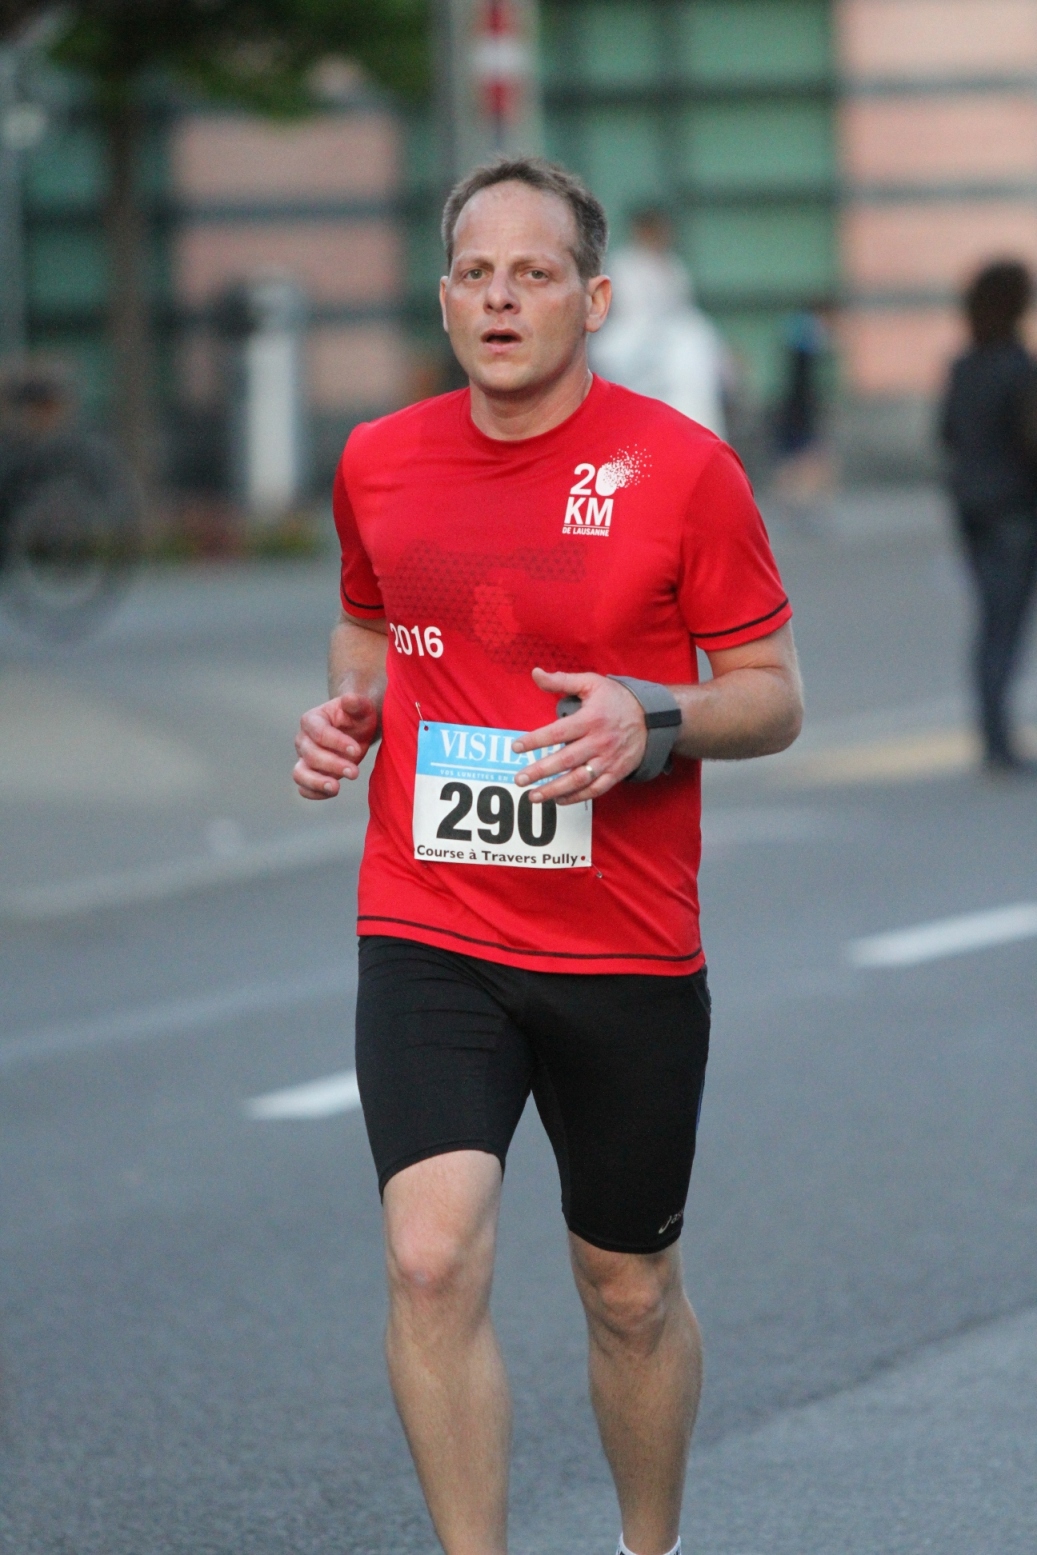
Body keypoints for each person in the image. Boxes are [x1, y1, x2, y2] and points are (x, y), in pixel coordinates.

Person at [293, 155, 803, 1555]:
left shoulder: (681, 471)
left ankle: (648, 1544)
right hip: (430, 917)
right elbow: (365, 619)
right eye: (474, 272)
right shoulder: (378, 459)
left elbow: (771, 693)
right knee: (427, 1255)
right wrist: (353, 706)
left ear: (596, 298)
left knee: (625, 1287)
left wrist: (652, 717)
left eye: (533, 273)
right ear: (443, 297)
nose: (500, 298)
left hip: (621, 941)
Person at [941, 260, 1037, 773]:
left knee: (990, 621)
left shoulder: (963, 366)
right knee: (1007, 623)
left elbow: (946, 434)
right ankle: (999, 741)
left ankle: (992, 732)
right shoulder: (1019, 366)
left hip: (971, 507)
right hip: (1016, 509)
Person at [590, 205, 729, 437]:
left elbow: (683, 310)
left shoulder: (673, 266)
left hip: (670, 342)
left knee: (695, 345)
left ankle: (697, 434)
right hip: (628, 339)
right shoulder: (623, 265)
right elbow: (628, 311)